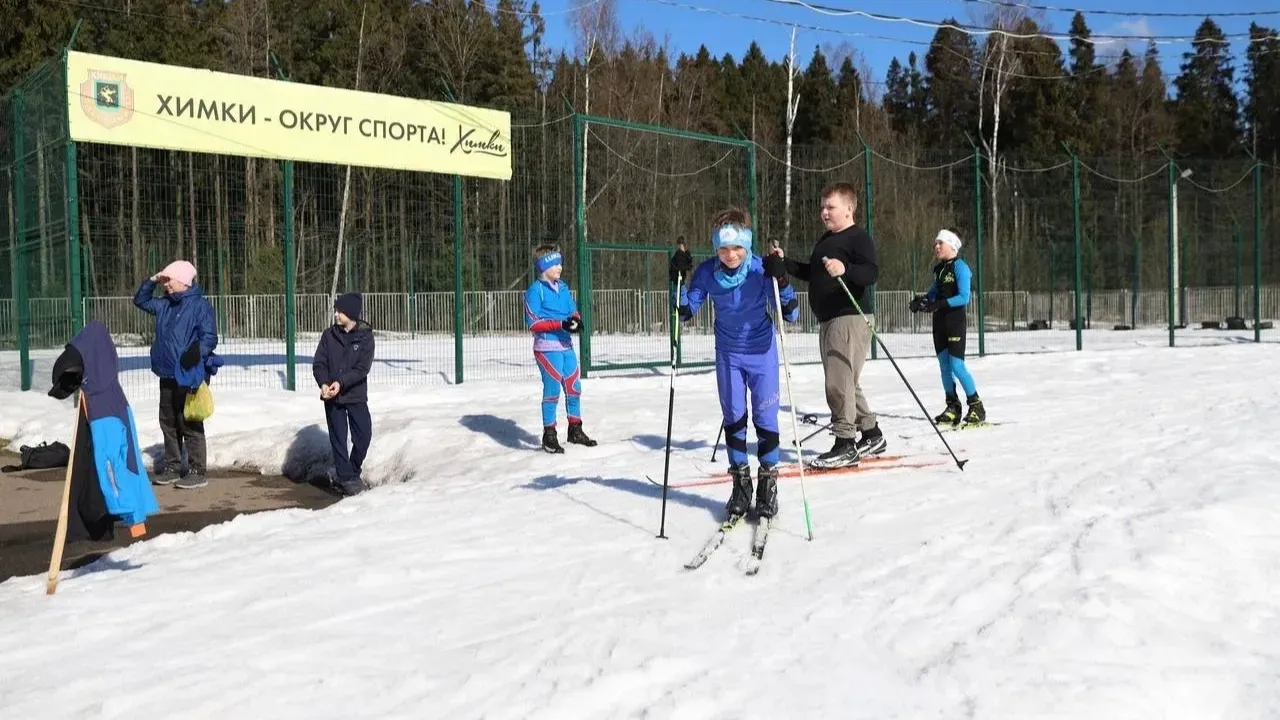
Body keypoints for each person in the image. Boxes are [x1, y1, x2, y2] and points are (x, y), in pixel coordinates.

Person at [670, 206, 800, 520]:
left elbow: (792, 315)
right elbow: (685, 313)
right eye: (724, 248)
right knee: (735, 420)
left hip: (761, 353)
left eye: (738, 247)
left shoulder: (760, 270)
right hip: (728, 355)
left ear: (748, 245)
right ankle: (741, 484)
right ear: (716, 247)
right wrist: (674, 278)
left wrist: (781, 278)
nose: (731, 255)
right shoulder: (706, 273)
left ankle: (768, 482)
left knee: (766, 421)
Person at [782, 182, 885, 469]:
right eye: (822, 207)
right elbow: (813, 273)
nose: (824, 212)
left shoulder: (857, 237)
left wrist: (846, 269)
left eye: (831, 207)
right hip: (829, 319)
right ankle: (871, 432)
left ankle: (845, 443)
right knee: (846, 380)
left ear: (849, 209)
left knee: (838, 383)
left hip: (848, 316)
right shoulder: (827, 240)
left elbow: (871, 272)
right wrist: (786, 264)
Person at [132, 259, 218, 489]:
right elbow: (140, 300)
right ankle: (172, 466)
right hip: (166, 373)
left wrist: (196, 351)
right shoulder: (164, 305)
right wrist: (152, 280)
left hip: (188, 374)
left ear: (184, 281)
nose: (166, 285)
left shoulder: (200, 306)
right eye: (165, 280)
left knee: (189, 421)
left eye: (169, 280)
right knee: (168, 422)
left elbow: (210, 337)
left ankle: (198, 470)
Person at [910, 229, 987, 428]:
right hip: (940, 323)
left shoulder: (960, 267)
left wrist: (939, 304)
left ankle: (976, 406)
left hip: (954, 322)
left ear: (952, 245)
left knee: (957, 366)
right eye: (935, 243)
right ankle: (953, 407)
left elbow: (964, 297)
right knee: (944, 368)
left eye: (940, 243)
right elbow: (934, 293)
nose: (936, 247)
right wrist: (922, 301)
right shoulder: (940, 270)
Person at [524, 244, 597, 454]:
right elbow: (533, 323)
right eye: (555, 263)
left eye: (560, 262)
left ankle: (575, 429)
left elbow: (572, 310)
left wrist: (575, 321)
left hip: (566, 345)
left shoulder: (563, 288)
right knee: (553, 390)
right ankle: (549, 434)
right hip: (546, 347)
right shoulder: (535, 291)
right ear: (543, 266)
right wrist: (560, 325)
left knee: (574, 387)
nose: (560, 267)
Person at [313, 292, 376, 497]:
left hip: (355, 393)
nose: (336, 315)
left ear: (350, 313)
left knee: (363, 435)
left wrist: (341, 382)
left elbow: (362, 369)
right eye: (336, 310)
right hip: (332, 396)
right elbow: (319, 363)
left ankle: (353, 469)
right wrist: (323, 383)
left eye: (339, 311)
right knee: (338, 438)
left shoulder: (365, 336)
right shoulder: (328, 335)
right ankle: (346, 477)